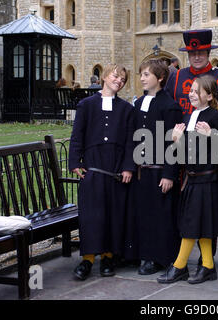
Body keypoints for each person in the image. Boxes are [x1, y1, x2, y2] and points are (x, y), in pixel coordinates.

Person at [165, 29, 218, 263]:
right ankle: (178, 255)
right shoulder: (175, 78)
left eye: (201, 52)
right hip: (180, 154)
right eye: (192, 52)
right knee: (182, 208)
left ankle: (206, 259)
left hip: (210, 158)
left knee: (207, 211)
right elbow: (168, 115)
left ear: (208, 52)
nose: (197, 57)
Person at [157, 75, 218, 284]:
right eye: (190, 90)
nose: (191, 93)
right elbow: (186, 156)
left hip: (208, 180)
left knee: (191, 225)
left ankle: (179, 266)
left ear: (209, 96)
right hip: (191, 179)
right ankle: (208, 266)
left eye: (196, 90)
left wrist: (212, 136)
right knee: (201, 225)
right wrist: (177, 142)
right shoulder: (189, 116)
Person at [69, 64, 136, 281]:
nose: (119, 81)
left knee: (113, 215)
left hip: (116, 170)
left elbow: (129, 142)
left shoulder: (126, 109)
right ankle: (88, 259)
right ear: (105, 77)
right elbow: (77, 135)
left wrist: (128, 167)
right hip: (93, 168)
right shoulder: (86, 105)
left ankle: (108, 257)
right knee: (92, 216)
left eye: (123, 79)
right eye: (116, 76)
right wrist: (74, 162)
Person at [131, 59, 182, 275]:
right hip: (143, 169)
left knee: (163, 215)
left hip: (161, 170)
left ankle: (164, 257)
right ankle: (147, 255)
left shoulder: (169, 106)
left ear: (160, 78)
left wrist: (169, 174)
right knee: (145, 214)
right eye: (141, 74)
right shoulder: (138, 102)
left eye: (146, 75)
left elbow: (173, 143)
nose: (142, 78)